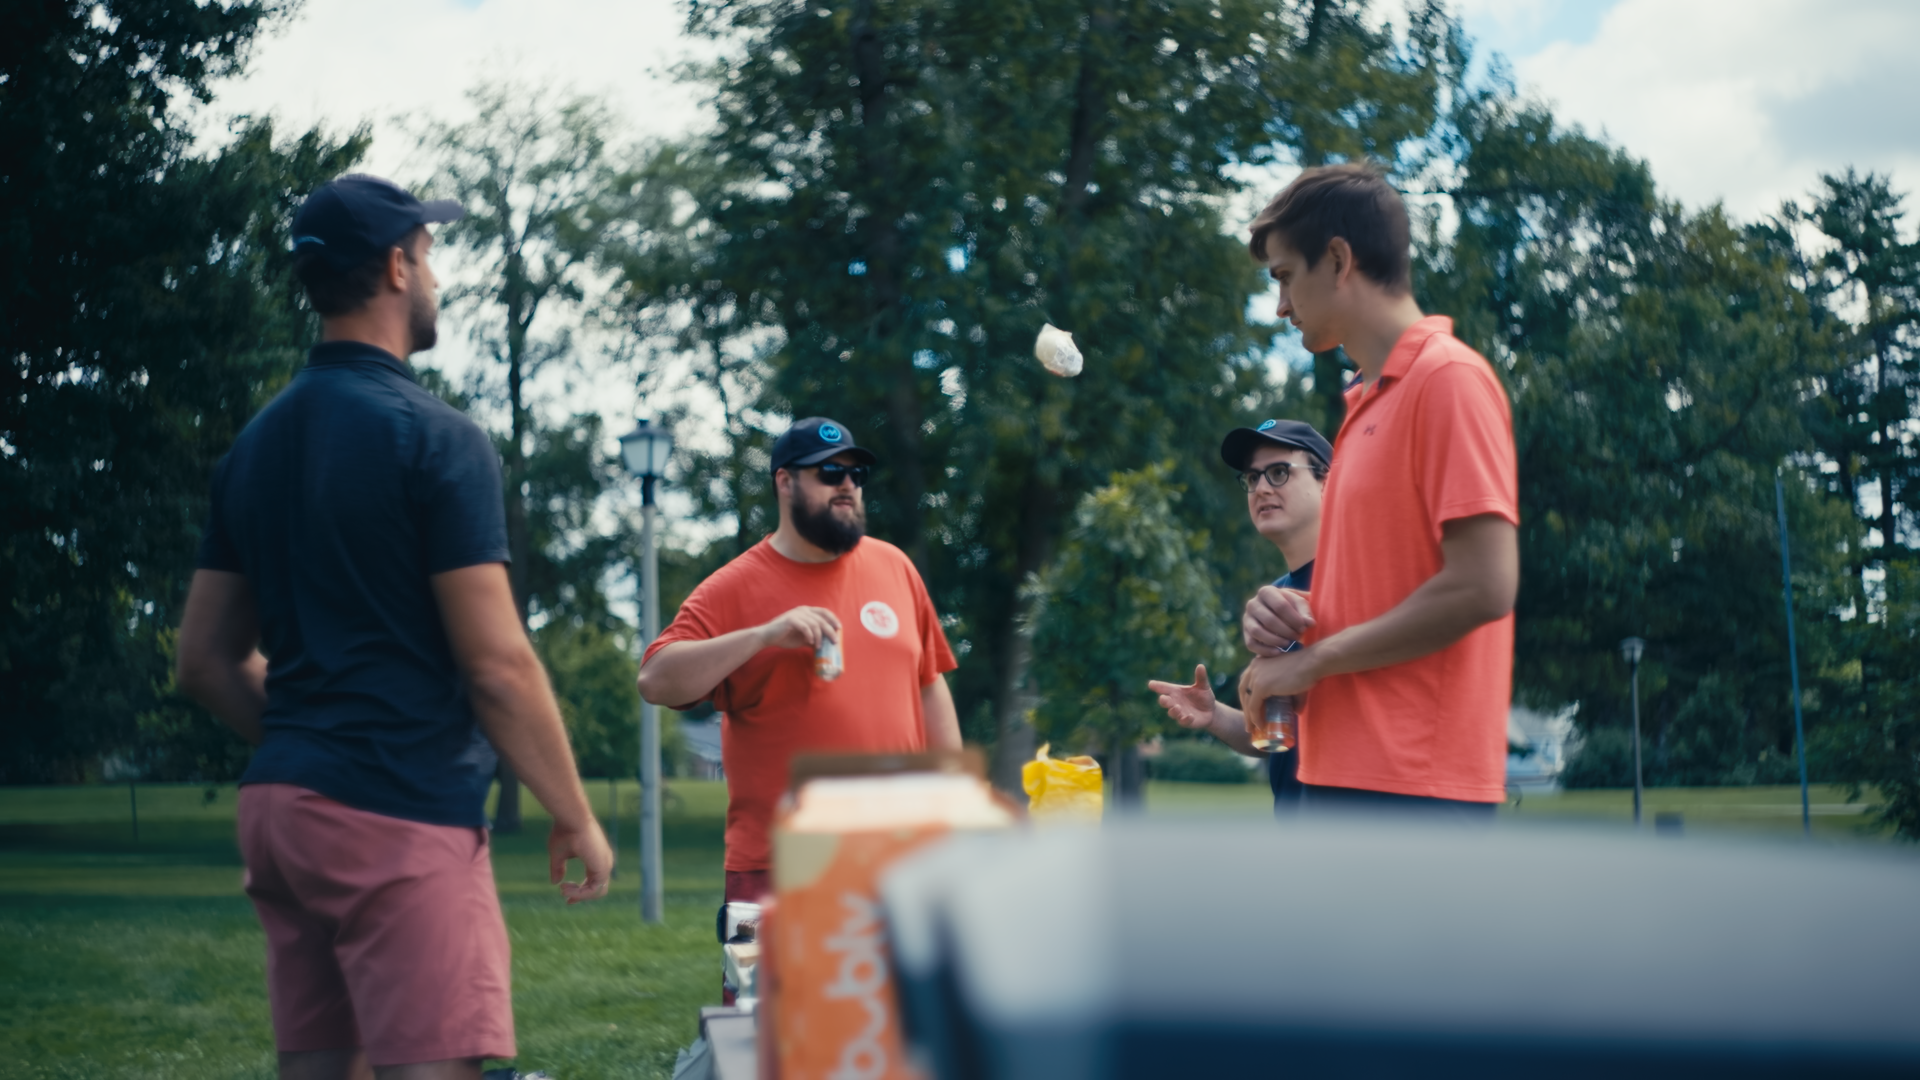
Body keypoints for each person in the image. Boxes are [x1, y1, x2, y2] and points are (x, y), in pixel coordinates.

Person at [176, 174, 612, 1080]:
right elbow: (496, 663)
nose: (438, 275)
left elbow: (205, 663)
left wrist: (311, 748)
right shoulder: (438, 438)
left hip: (281, 816)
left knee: (324, 1068)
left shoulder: (252, 448)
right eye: (430, 254)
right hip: (397, 815)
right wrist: (575, 815)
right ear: (395, 264)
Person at [1236, 162, 1520, 816]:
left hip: (1413, 788)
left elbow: (1484, 585)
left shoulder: (1447, 380)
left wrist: (1312, 663)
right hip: (1340, 774)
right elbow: (1379, 597)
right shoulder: (1367, 402)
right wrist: (1287, 624)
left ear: (1337, 259)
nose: (1280, 306)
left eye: (1284, 277)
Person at [636, 417, 962, 908]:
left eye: (856, 475)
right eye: (830, 472)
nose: (847, 484)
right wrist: (764, 635)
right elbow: (656, 680)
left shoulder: (894, 566)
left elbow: (927, 684)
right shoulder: (734, 586)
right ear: (785, 483)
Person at [1147, 419, 1331, 810]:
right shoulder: (1276, 594)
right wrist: (1214, 716)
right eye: (1251, 477)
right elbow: (1276, 734)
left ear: (1327, 483)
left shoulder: (1364, 578)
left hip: (1362, 830)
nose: (1261, 487)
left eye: (1279, 472)